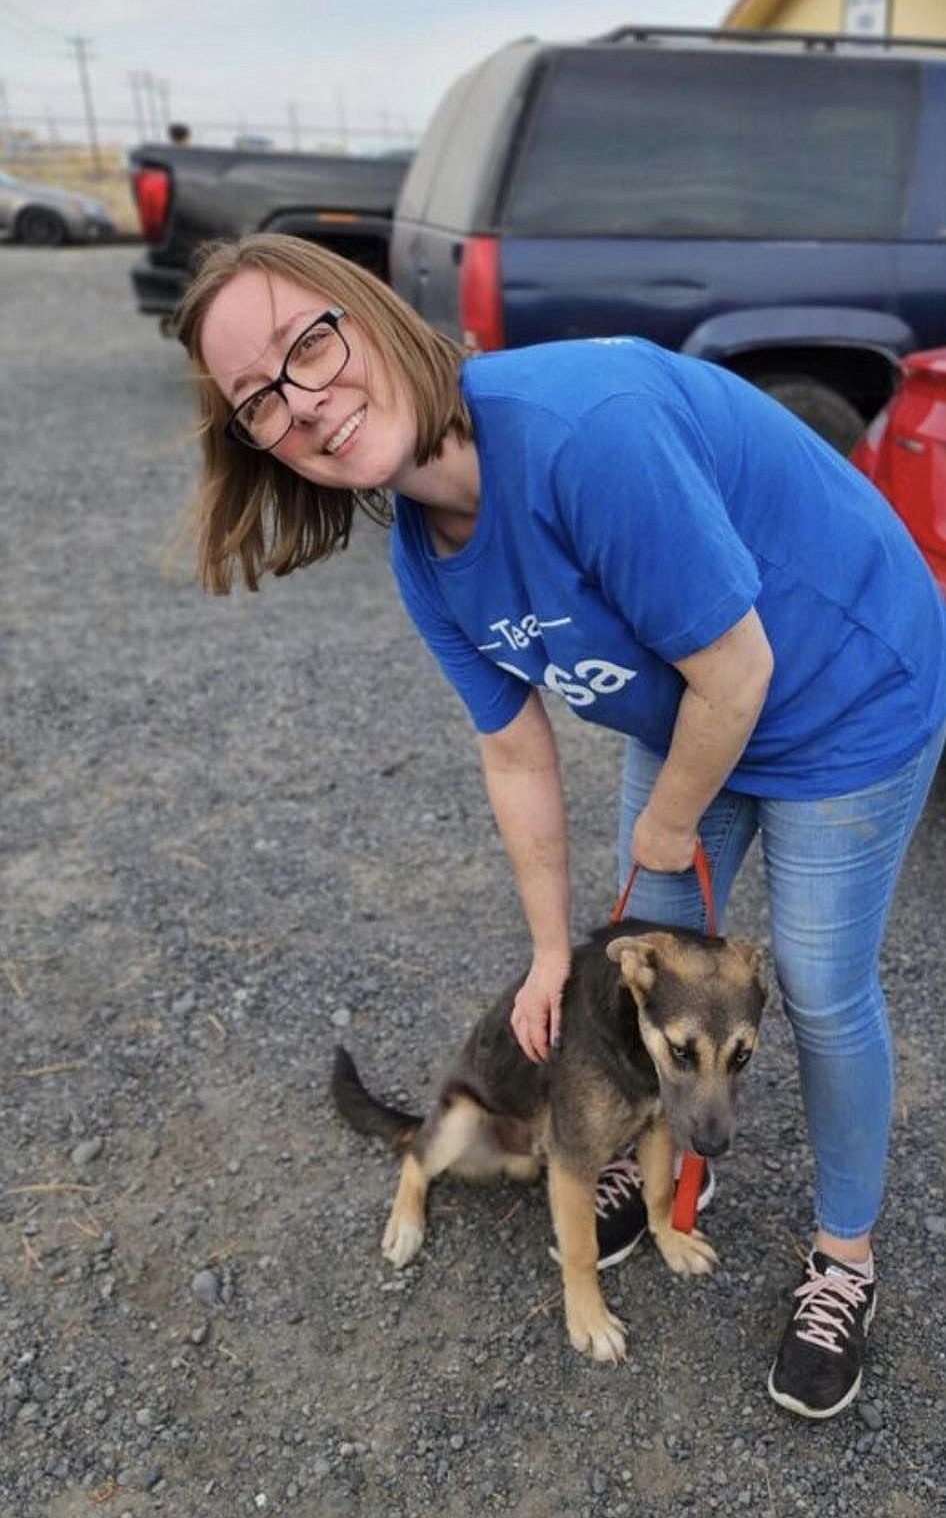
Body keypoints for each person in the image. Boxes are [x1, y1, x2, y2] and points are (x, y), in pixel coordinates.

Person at [175, 233, 946, 1421]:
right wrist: (549, 946)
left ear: (373, 316)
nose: (306, 401)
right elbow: (511, 746)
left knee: (823, 983)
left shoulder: (583, 432)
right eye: (260, 398)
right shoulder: (426, 562)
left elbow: (740, 668)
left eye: (310, 343)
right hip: (696, 696)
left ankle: (842, 1259)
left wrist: (666, 825)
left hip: (843, 684)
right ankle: (641, 1165)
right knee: (643, 964)